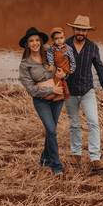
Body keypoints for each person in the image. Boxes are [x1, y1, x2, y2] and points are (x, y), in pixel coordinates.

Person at [65, 15, 103, 174]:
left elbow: (100, 68)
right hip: (69, 92)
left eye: (83, 30)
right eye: (78, 29)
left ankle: (95, 158)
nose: (80, 32)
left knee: (93, 122)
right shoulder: (65, 45)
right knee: (74, 124)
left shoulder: (93, 47)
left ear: (87, 32)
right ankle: (76, 154)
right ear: (73, 29)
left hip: (87, 91)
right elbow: (55, 66)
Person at [17, 27, 67, 176]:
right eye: (31, 41)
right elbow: (32, 90)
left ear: (41, 42)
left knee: (51, 131)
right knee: (51, 130)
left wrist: (63, 74)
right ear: (27, 44)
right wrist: (51, 89)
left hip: (58, 99)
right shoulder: (25, 65)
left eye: (37, 40)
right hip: (41, 101)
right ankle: (56, 166)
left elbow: (63, 65)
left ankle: (44, 159)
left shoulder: (50, 54)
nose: (35, 43)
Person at [43, 26, 76, 101]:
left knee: (59, 78)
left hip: (65, 66)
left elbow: (72, 60)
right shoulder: (52, 48)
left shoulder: (68, 48)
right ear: (53, 40)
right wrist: (51, 64)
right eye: (56, 39)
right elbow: (50, 56)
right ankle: (64, 93)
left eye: (61, 38)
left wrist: (71, 69)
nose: (59, 40)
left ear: (64, 37)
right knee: (56, 79)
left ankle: (60, 95)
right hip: (57, 66)